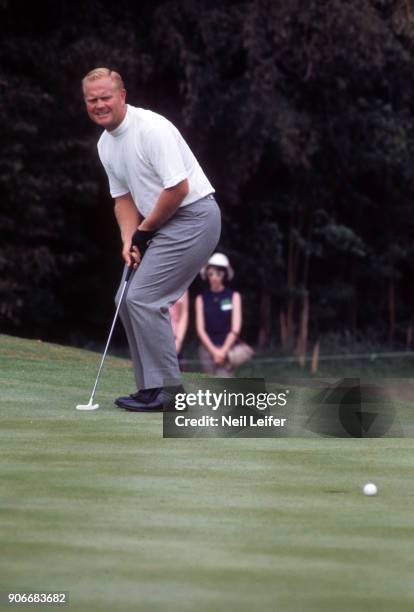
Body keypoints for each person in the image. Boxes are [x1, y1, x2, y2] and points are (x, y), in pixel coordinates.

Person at [82, 67, 221, 411]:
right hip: (165, 223)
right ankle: (150, 389)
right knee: (126, 297)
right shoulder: (105, 145)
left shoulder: (151, 129)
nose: (99, 105)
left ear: (122, 96)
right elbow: (123, 200)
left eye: (105, 98)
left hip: (195, 216)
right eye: (92, 100)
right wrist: (129, 240)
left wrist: (145, 232)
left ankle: (169, 393)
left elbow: (178, 189)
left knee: (144, 297)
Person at [195, 253, 241, 377]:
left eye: (218, 273)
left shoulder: (234, 297)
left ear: (224, 274)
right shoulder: (201, 299)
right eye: (211, 273)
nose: (214, 277)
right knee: (210, 389)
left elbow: (235, 328)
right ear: (207, 275)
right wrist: (214, 351)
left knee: (225, 387)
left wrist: (222, 352)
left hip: (228, 349)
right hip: (206, 350)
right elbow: (200, 329)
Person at [169, 290, 189, 368]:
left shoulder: (183, 286)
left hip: (175, 337)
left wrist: (178, 341)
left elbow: (184, 314)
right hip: (156, 337)